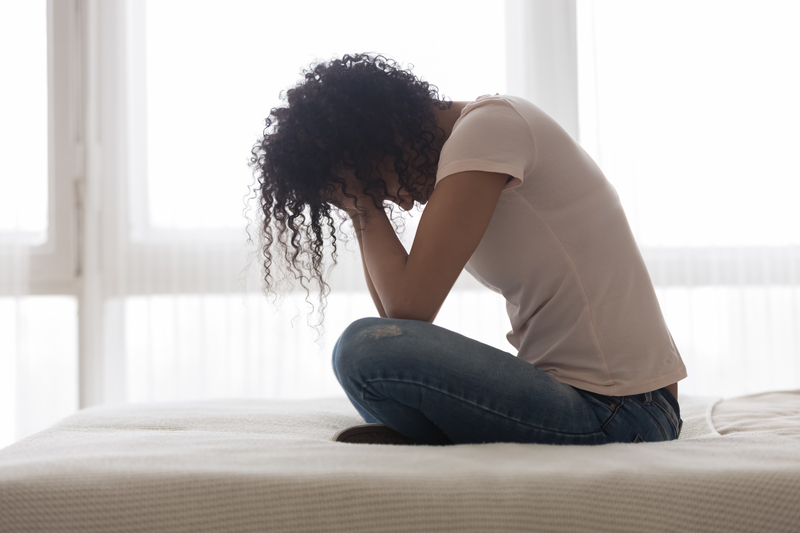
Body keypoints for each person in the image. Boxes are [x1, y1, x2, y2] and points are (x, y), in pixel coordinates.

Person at [250, 53, 687, 446]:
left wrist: (362, 205)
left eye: (378, 182)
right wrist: (357, 204)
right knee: (369, 354)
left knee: (361, 349)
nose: (401, 202)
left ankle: (434, 436)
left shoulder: (488, 130)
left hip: (623, 409)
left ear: (381, 137)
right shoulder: (477, 143)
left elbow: (408, 308)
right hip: (600, 402)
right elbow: (398, 320)